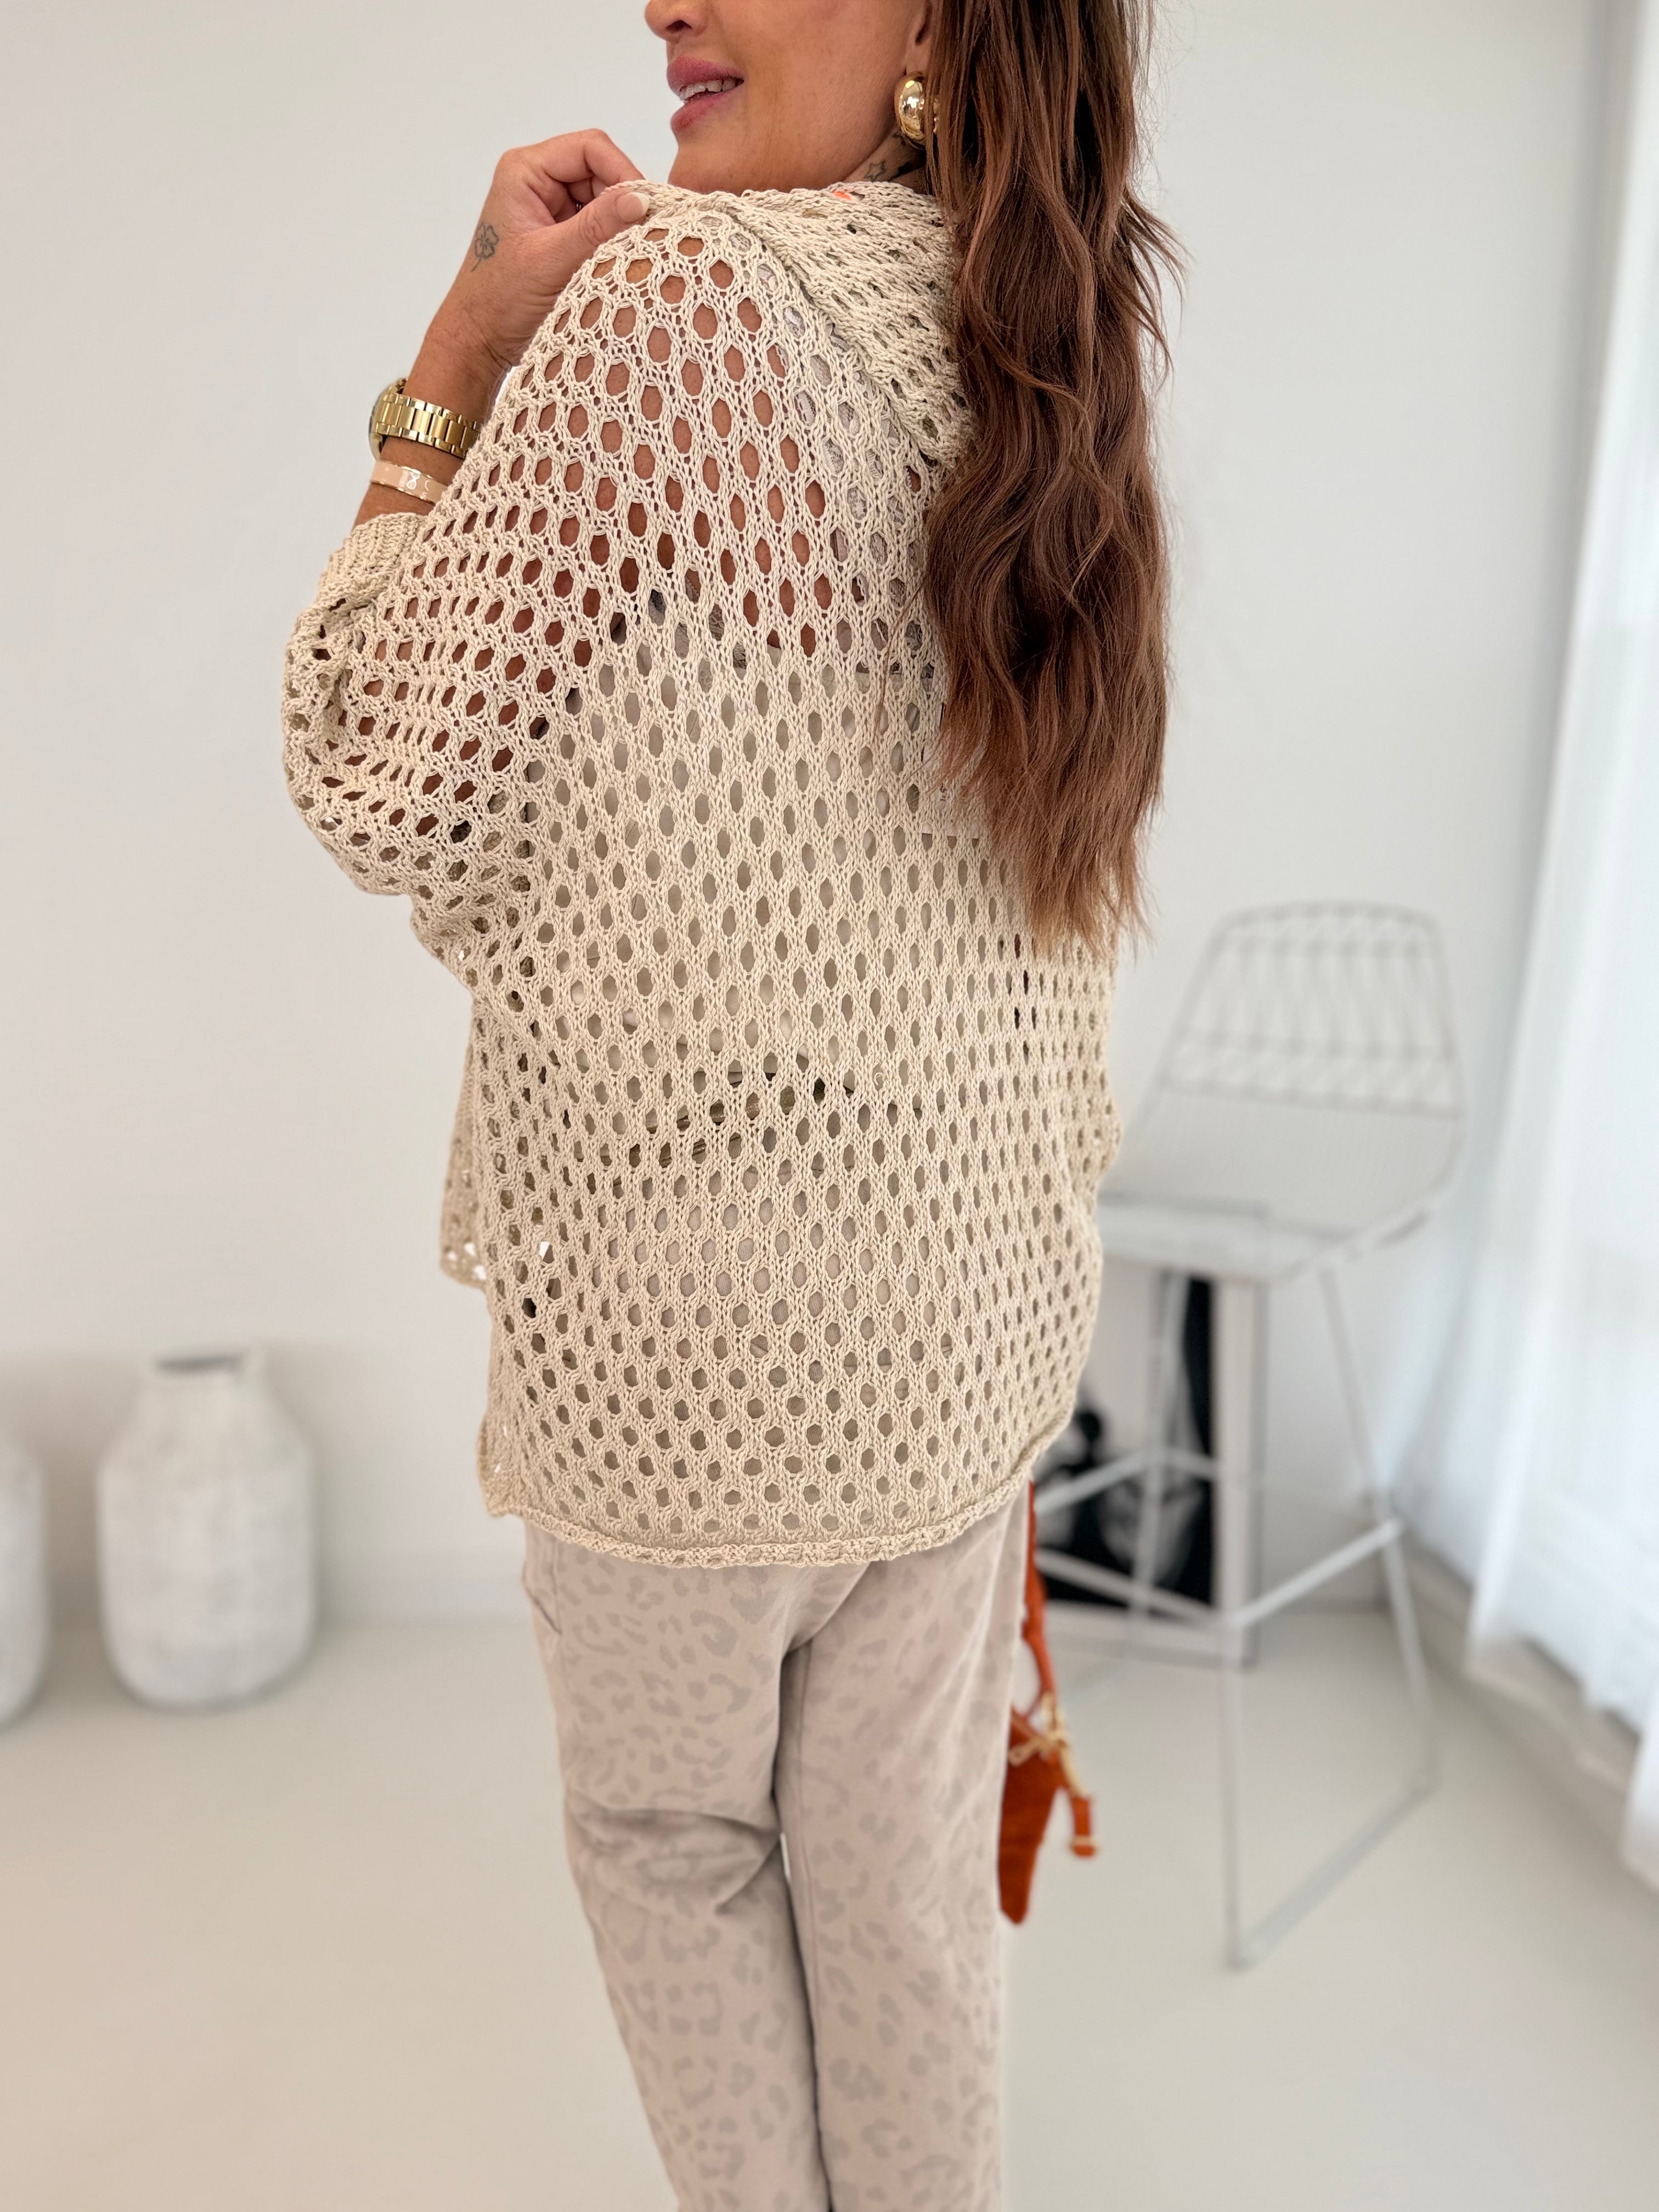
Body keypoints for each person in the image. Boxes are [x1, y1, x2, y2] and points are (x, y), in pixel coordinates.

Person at [282, 2, 1172, 2204]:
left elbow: (369, 756)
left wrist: (458, 351)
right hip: (962, 1328)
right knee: (905, 1894)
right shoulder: (1045, 338)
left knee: (676, 1844)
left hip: (689, 1367)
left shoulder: (672, 302)